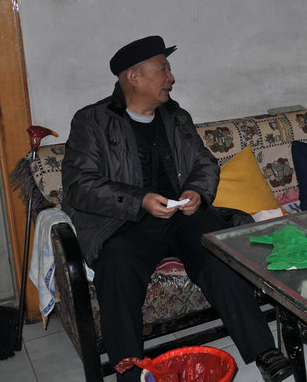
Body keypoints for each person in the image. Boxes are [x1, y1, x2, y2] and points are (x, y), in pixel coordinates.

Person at [61, 36, 292, 382]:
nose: (171, 78)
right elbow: (79, 185)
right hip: (123, 222)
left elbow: (205, 164)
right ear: (134, 78)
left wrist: (197, 191)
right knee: (117, 266)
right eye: (163, 70)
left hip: (182, 215)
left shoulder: (176, 116)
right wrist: (139, 199)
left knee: (219, 253)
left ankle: (264, 350)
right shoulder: (92, 121)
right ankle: (129, 373)